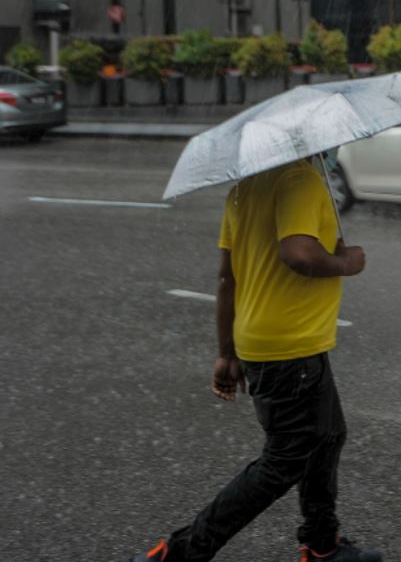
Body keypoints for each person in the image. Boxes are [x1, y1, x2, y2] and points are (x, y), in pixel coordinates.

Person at [130, 155, 379, 562]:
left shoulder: (245, 188)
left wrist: (226, 353)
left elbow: (227, 278)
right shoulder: (300, 179)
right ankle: (179, 554)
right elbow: (298, 253)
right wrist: (346, 263)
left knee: (328, 436)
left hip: (269, 340)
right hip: (290, 348)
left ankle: (323, 545)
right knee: (283, 461)